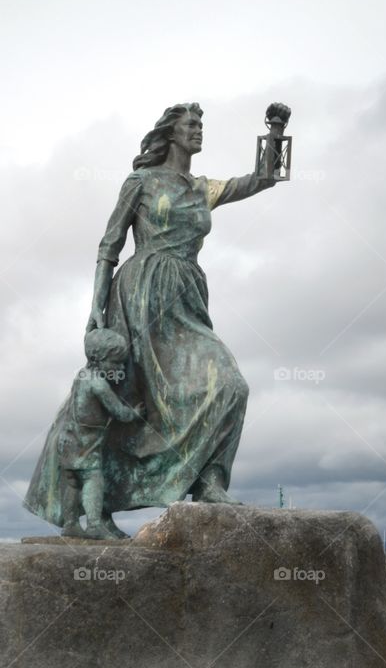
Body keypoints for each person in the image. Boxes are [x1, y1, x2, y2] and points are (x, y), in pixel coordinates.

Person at [25, 102, 284, 526]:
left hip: (186, 296)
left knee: (230, 384)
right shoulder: (141, 181)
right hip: (139, 294)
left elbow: (263, 179)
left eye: (201, 124)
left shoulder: (204, 188)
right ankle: (91, 512)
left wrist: (275, 131)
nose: (199, 131)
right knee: (124, 393)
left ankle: (209, 482)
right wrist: (95, 306)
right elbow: (109, 246)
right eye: (191, 125)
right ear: (171, 132)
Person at [59, 329, 140, 539]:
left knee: (71, 480)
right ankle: (94, 524)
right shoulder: (98, 383)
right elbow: (119, 412)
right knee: (93, 478)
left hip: (67, 440)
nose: (120, 368)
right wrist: (135, 413)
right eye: (116, 363)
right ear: (97, 359)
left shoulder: (81, 376)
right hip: (87, 443)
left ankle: (70, 523)